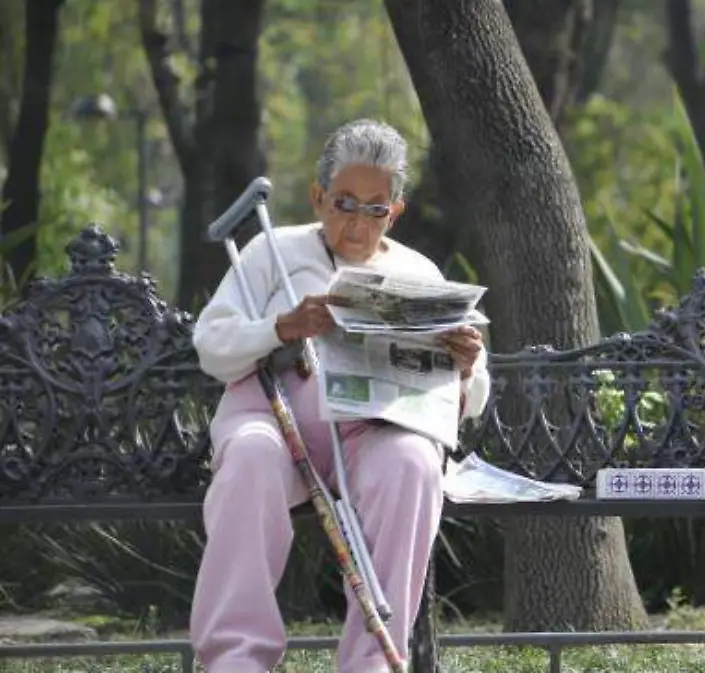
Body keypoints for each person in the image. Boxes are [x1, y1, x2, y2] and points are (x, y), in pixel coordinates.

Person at [190, 118, 490, 673]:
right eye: (344, 203)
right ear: (318, 196)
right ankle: (236, 659)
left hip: (369, 433)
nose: (357, 225)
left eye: (375, 209)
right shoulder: (270, 250)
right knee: (251, 460)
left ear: (394, 211)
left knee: (414, 464)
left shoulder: (417, 272)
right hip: (275, 422)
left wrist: (467, 368)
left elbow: (471, 401)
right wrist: (281, 327)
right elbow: (211, 345)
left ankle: (371, 664)